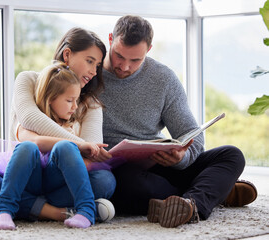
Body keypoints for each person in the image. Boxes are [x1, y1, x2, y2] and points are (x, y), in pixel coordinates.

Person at [99, 15, 258, 228]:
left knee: (231, 155)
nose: (125, 66)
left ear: (149, 49)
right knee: (129, 184)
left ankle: (192, 204)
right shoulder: (89, 72)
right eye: (119, 56)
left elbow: (191, 133)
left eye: (135, 60)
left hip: (160, 164)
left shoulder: (163, 78)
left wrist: (180, 158)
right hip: (118, 169)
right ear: (110, 39)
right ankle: (212, 193)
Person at [0, 27, 116, 228]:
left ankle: (14, 207)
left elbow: (90, 155)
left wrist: (78, 149)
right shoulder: (29, 81)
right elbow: (29, 124)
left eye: (97, 65)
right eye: (89, 61)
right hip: (23, 176)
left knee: (105, 181)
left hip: (61, 180)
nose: (93, 71)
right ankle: (57, 212)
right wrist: (80, 144)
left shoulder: (92, 105)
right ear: (67, 54)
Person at [0, 62, 112, 230]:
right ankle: (7, 210)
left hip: (57, 182)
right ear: (50, 98)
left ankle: (84, 211)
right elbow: (36, 143)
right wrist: (81, 145)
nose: (75, 107)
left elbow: (80, 164)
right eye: (70, 100)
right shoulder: (30, 121)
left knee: (105, 181)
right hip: (28, 180)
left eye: (76, 100)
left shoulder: (73, 124)